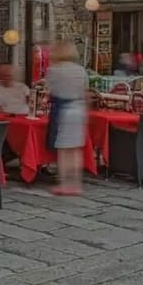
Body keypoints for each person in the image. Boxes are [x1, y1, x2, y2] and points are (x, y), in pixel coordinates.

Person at [46, 40, 88, 196]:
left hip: (63, 110)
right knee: (75, 149)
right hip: (78, 108)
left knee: (64, 150)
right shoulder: (80, 70)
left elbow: (52, 90)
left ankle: (64, 183)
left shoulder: (54, 70)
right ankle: (76, 183)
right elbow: (85, 92)